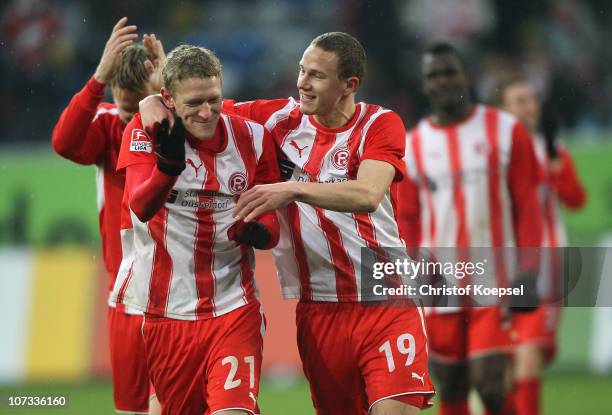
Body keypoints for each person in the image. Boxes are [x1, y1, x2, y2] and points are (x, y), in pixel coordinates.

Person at [140, 31, 434, 415]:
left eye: (316, 75)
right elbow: (199, 106)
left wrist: (291, 189)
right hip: (318, 308)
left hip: (384, 298)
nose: (302, 83)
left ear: (350, 85)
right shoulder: (277, 119)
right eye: (301, 70)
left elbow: (368, 193)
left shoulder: (380, 124)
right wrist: (151, 99)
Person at [110, 44, 281, 415]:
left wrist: (259, 232)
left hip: (234, 306)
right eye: (194, 103)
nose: (206, 112)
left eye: (214, 99)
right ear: (168, 99)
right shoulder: (144, 131)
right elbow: (139, 206)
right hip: (166, 314)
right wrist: (168, 168)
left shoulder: (252, 138)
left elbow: (271, 223)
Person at [399, 42, 543, 415]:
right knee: (453, 385)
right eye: (434, 75)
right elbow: (408, 220)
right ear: (424, 85)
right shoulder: (413, 146)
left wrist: (528, 270)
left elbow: (527, 205)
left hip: (495, 279)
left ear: (466, 76)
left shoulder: (505, 130)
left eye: (450, 72)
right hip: (439, 284)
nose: (443, 81)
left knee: (491, 385)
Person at [51, 17, 164, 414]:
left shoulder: (173, 125)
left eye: (139, 107)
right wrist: (98, 76)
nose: (133, 118)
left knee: (171, 401)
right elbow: (63, 143)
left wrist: (166, 88)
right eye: (125, 106)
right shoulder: (105, 125)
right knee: (131, 407)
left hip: (176, 288)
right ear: (114, 92)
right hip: (127, 289)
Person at [494, 76, 587, 415]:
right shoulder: (493, 153)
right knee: (501, 366)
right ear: (504, 109)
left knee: (528, 355)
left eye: (532, 100)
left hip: (545, 268)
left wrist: (557, 172)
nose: (529, 107)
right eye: (519, 101)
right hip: (500, 268)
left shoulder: (553, 149)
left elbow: (577, 199)